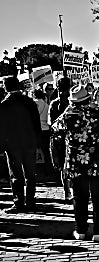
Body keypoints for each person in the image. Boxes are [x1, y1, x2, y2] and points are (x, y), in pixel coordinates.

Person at [52, 84, 99, 241]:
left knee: (79, 197)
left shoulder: (67, 115)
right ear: (88, 98)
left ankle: (80, 230)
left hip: (76, 161)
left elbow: (55, 132)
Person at [0, 76, 41, 213]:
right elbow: (37, 124)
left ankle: (19, 203)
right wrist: (38, 141)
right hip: (29, 142)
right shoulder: (29, 102)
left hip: (12, 144)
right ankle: (30, 201)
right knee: (30, 173)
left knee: (16, 174)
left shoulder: (4, 104)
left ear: (6, 87)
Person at [49, 77, 73, 202]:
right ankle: (72, 190)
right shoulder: (72, 102)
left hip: (59, 137)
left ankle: (67, 191)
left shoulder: (54, 103)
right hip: (71, 136)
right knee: (72, 163)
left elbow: (50, 123)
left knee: (63, 163)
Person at [32, 89, 54, 177]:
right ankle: (49, 170)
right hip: (46, 130)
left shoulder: (33, 104)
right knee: (46, 152)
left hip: (36, 130)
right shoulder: (46, 105)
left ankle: (34, 170)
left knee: (33, 152)